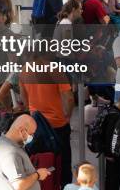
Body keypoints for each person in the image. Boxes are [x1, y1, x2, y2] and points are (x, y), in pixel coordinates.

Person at [20, 52, 75, 186]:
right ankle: (63, 186)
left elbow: (24, 100)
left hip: (36, 125)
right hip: (57, 124)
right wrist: (67, 115)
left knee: (39, 160)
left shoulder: (24, 71)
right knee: (63, 161)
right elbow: (69, 98)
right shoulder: (55, 70)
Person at [0, 114, 52, 190]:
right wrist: (38, 175)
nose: (32, 137)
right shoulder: (10, 152)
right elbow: (19, 185)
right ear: (22, 131)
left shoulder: (4, 141)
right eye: (31, 134)